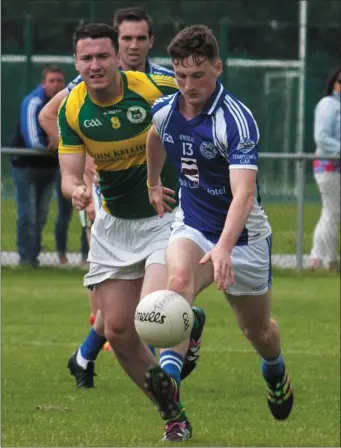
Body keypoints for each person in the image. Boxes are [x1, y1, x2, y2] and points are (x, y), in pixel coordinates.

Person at [40, 8, 206, 389]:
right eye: (87, 58)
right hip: (114, 221)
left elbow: (210, 103)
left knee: (152, 313)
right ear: (76, 62)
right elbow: (66, 171)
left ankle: (169, 380)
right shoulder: (72, 105)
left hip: (167, 215)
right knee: (117, 324)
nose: (95, 64)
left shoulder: (157, 85)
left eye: (103, 56)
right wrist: (78, 183)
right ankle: (181, 334)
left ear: (120, 55)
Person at [146, 25, 294, 426]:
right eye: (180, 76)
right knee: (178, 284)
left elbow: (244, 195)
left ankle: (276, 371)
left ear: (218, 67)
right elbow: (155, 137)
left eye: (199, 75)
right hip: (192, 223)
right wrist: (153, 182)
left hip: (243, 237)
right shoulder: (165, 110)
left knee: (258, 333)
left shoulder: (237, 121)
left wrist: (225, 247)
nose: (188, 85)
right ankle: (171, 385)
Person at [10, 66, 65, 267]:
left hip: (49, 167)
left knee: (41, 216)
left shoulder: (65, 102)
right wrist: (55, 143)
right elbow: (33, 140)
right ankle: (26, 258)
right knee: (28, 215)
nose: (56, 85)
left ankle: (34, 256)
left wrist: (56, 142)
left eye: (59, 81)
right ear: (44, 83)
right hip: (25, 167)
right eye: (51, 80)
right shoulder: (33, 101)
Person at [310, 66, 340, 272]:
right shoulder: (329, 104)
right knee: (333, 211)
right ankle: (330, 259)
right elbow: (321, 136)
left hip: (335, 166)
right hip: (328, 166)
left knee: (330, 212)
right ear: (334, 84)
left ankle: (316, 258)